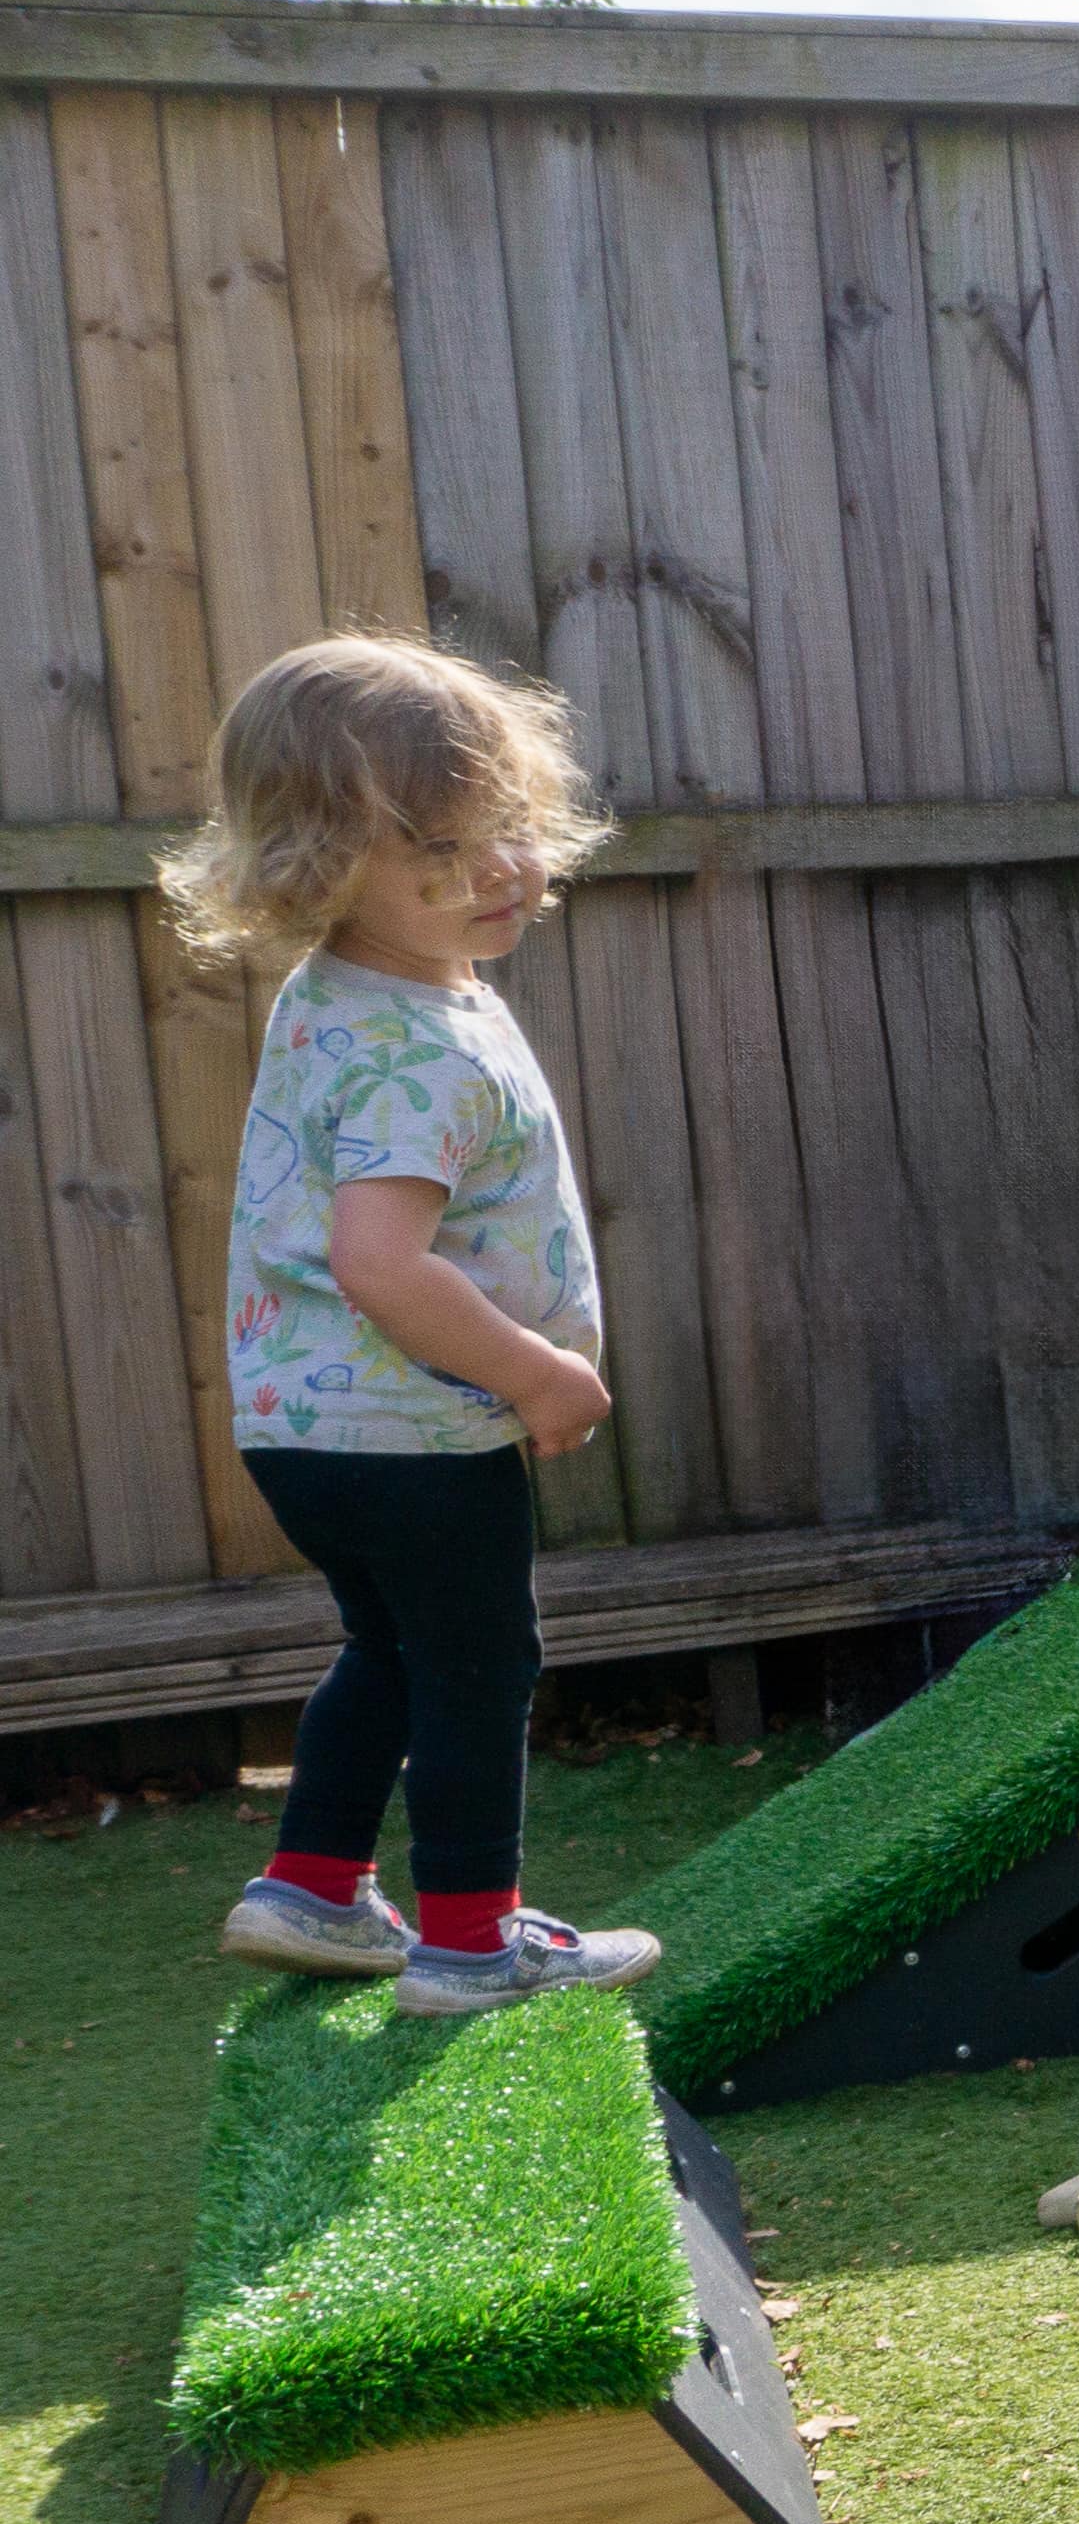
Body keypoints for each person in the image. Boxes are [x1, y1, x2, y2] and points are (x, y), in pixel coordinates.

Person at [171, 638, 662, 2018]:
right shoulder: (422, 1049)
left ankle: (315, 1889)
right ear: (322, 865)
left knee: (389, 1651)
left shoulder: (349, 998)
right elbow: (380, 1263)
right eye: (443, 846)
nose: (500, 867)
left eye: (507, 826)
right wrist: (540, 1375)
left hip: (304, 1424)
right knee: (477, 1664)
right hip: (414, 1426)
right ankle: (467, 1942)